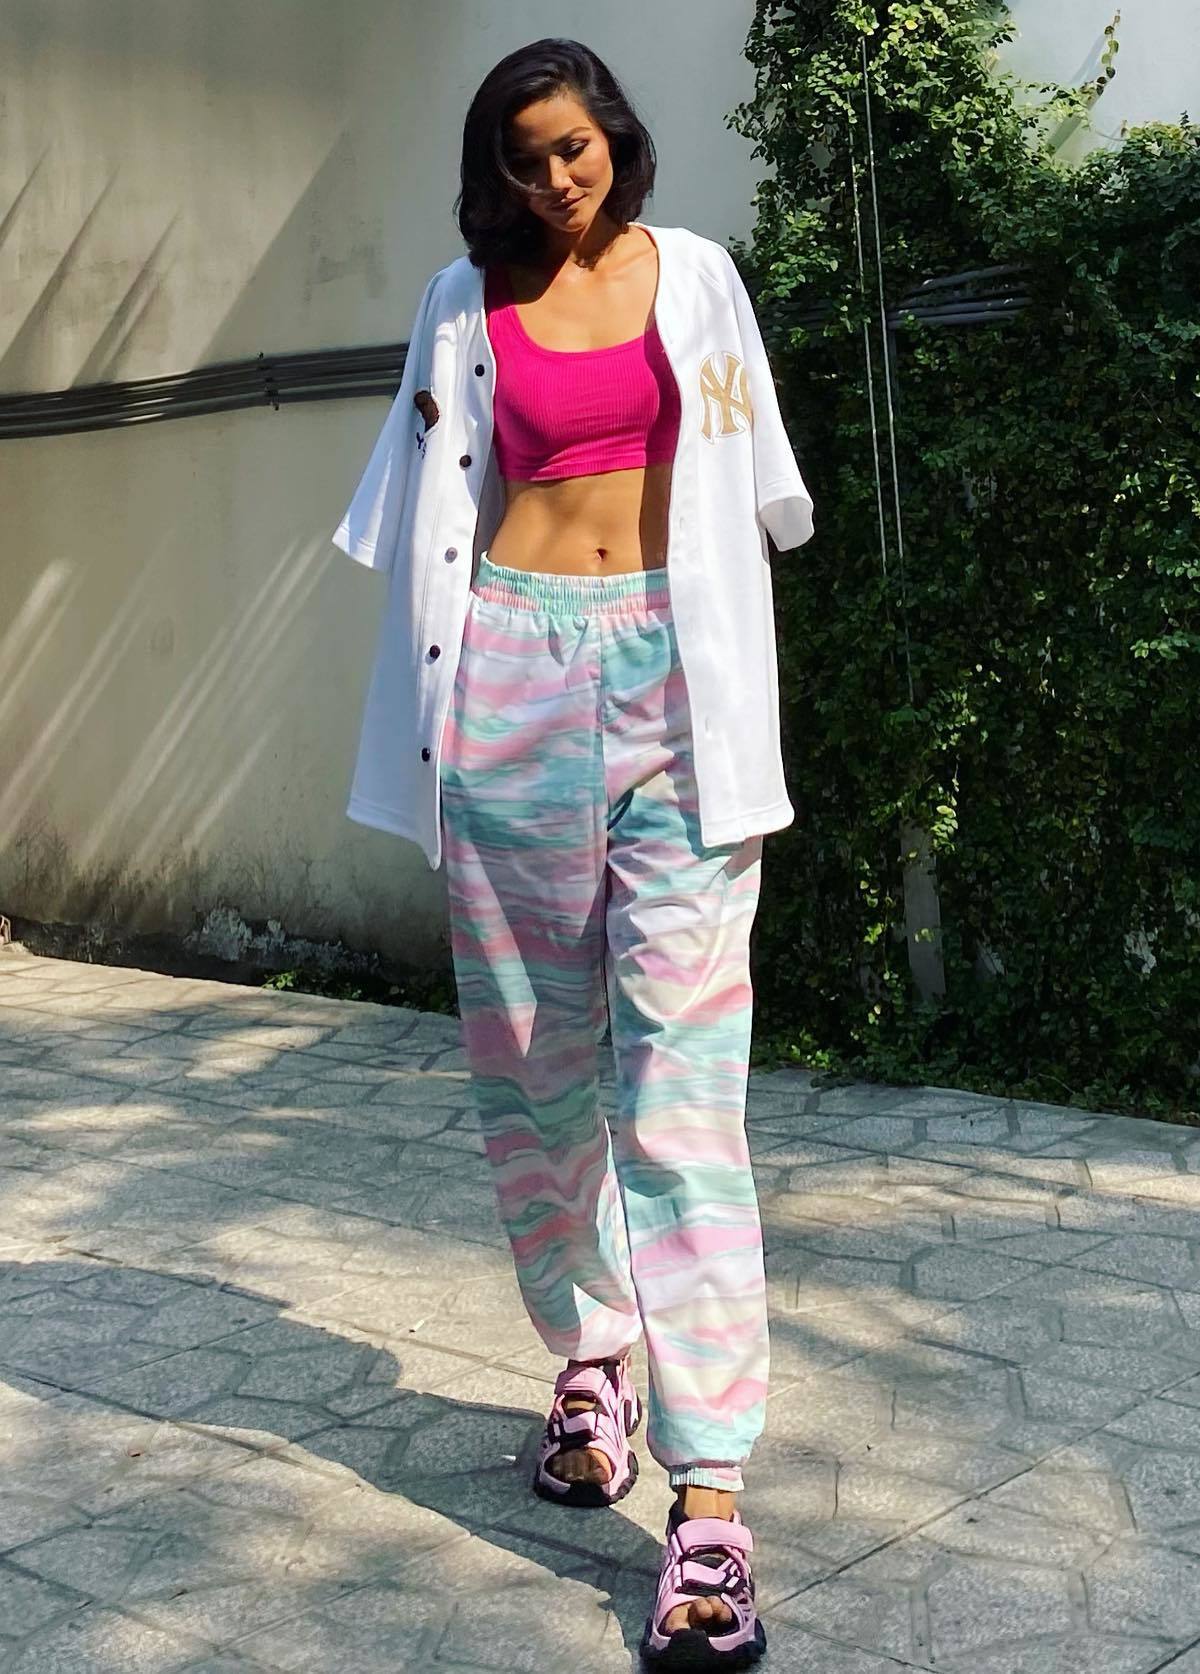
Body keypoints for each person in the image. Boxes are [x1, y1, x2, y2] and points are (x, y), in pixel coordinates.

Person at [333, 35, 814, 1670]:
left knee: (684, 1092)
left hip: (678, 694)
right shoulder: (460, 304)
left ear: (617, 137)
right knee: (534, 1073)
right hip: (514, 681)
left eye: (576, 145)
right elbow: (416, 510)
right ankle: (592, 1353)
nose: (555, 177)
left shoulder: (701, 279)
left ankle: (712, 1490)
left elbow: (758, 490)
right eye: (525, 156)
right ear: (497, 169)